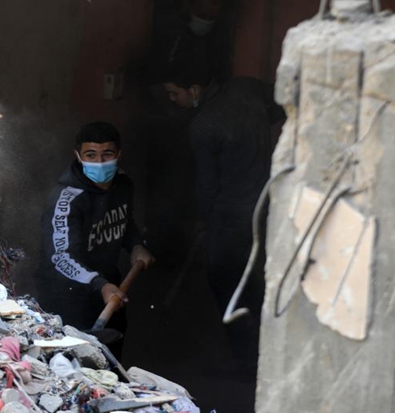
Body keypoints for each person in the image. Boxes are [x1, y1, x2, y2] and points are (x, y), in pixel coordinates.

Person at [161, 65, 285, 373]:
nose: (172, 99)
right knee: (258, 276)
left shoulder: (203, 125)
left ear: (194, 89)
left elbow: (207, 185)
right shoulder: (247, 88)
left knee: (226, 282)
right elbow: (284, 102)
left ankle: (247, 361)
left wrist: (205, 221)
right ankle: (272, 341)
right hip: (268, 202)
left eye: (175, 93)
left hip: (230, 216)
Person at [36, 122, 154, 358]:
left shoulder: (123, 184)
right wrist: (99, 285)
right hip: (67, 296)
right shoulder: (67, 201)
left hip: (110, 291)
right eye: (91, 155)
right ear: (78, 156)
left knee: (111, 359)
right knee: (75, 364)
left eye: (107, 154)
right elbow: (61, 257)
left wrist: (135, 244)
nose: (99, 163)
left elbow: (125, 220)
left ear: (118, 155)